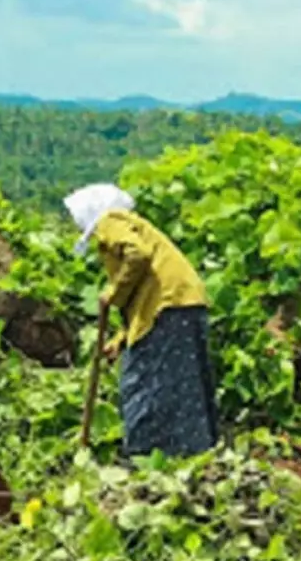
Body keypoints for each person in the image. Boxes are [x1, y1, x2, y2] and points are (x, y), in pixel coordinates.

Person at [64, 184, 219, 459]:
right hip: (182, 302)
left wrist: (111, 294)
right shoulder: (133, 224)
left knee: (145, 382)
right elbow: (143, 296)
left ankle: (145, 455)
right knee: (183, 382)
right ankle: (188, 454)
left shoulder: (110, 221)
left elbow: (138, 254)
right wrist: (119, 340)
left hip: (169, 304)